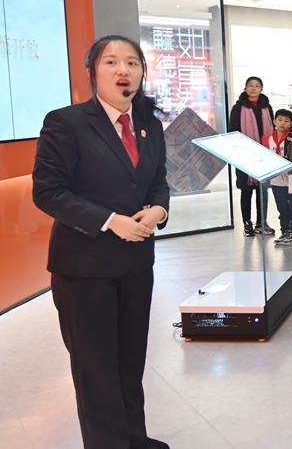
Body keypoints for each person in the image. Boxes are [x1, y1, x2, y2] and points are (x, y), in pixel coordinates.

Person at [32, 35, 170, 449]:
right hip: (84, 267)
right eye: (111, 61)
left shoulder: (149, 125)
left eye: (132, 62)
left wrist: (159, 210)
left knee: (130, 360)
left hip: (136, 264)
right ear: (92, 71)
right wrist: (110, 222)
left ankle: (133, 438)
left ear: (142, 73)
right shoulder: (67, 122)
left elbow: (157, 181)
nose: (123, 70)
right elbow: (48, 192)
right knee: (96, 369)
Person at [228, 76, 275, 236]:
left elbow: (272, 129)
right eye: (250, 85)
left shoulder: (267, 107)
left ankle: (261, 222)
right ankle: (247, 223)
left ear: (261, 89)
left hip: (264, 155)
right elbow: (232, 132)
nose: (253, 88)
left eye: (257, 86)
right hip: (244, 155)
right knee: (246, 190)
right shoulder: (238, 108)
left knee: (262, 190)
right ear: (245, 88)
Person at [266, 109, 292, 246]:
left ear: (291, 123)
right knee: (282, 207)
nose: (282, 123)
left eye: (286, 121)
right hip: (276, 179)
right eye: (279, 120)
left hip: (291, 179)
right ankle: (284, 232)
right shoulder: (268, 139)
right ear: (274, 121)